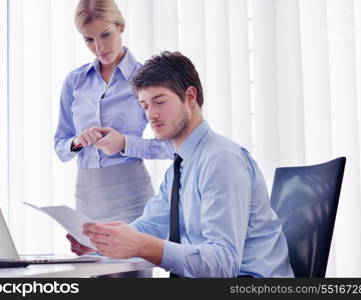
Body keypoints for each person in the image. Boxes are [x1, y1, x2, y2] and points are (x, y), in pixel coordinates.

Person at [81, 51, 294, 278]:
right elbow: (150, 226)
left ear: (190, 97)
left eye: (160, 102)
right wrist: (102, 241)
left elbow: (223, 263)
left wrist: (143, 245)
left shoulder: (220, 160)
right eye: (144, 106)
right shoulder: (180, 166)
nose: (151, 115)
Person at [53, 0, 173, 265]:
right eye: (89, 40)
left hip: (131, 198)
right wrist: (76, 142)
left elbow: (173, 147)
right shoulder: (75, 81)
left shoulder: (146, 78)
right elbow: (60, 146)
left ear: (121, 26)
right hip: (86, 198)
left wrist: (125, 144)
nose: (99, 47)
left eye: (105, 34)